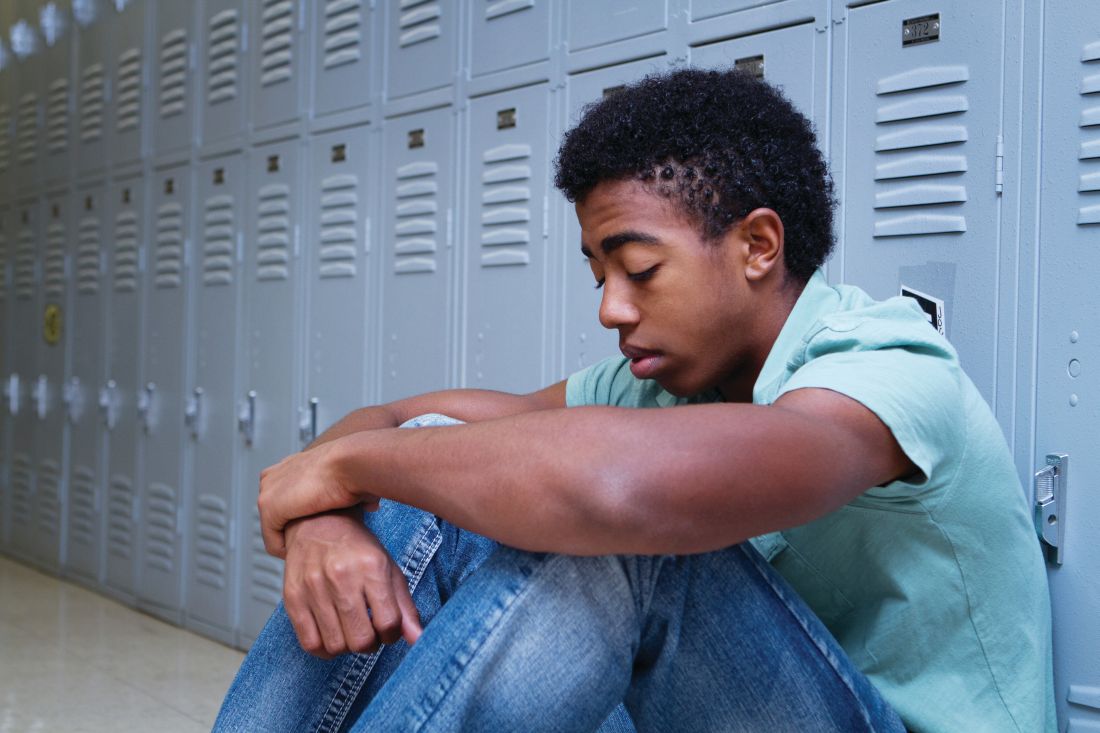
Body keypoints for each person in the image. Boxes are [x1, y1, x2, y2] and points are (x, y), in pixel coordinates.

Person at [214, 68, 1055, 732]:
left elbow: (622, 490)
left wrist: (344, 467)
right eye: (599, 274)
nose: (611, 308)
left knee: (621, 533)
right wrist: (327, 516)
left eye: (639, 269)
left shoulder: (886, 365)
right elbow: (401, 420)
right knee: (444, 463)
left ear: (759, 245)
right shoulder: (659, 384)